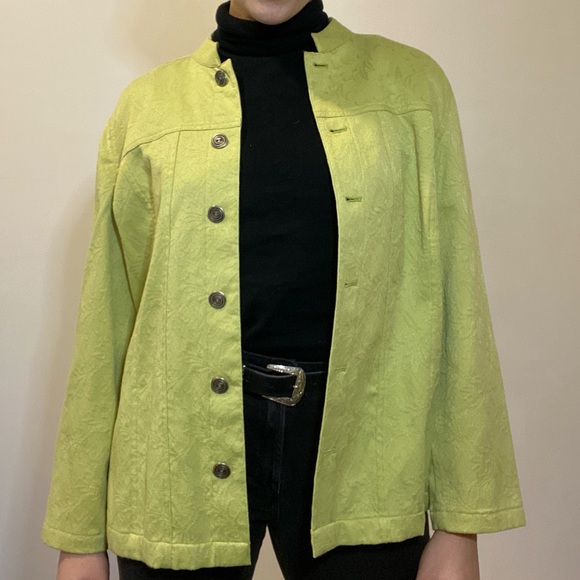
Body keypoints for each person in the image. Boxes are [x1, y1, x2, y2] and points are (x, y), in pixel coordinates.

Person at [42, 1, 526, 578]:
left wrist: (459, 522)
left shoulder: (412, 88)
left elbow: (457, 304)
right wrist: (79, 538)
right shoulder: (146, 108)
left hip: (368, 452)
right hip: (177, 455)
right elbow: (106, 324)